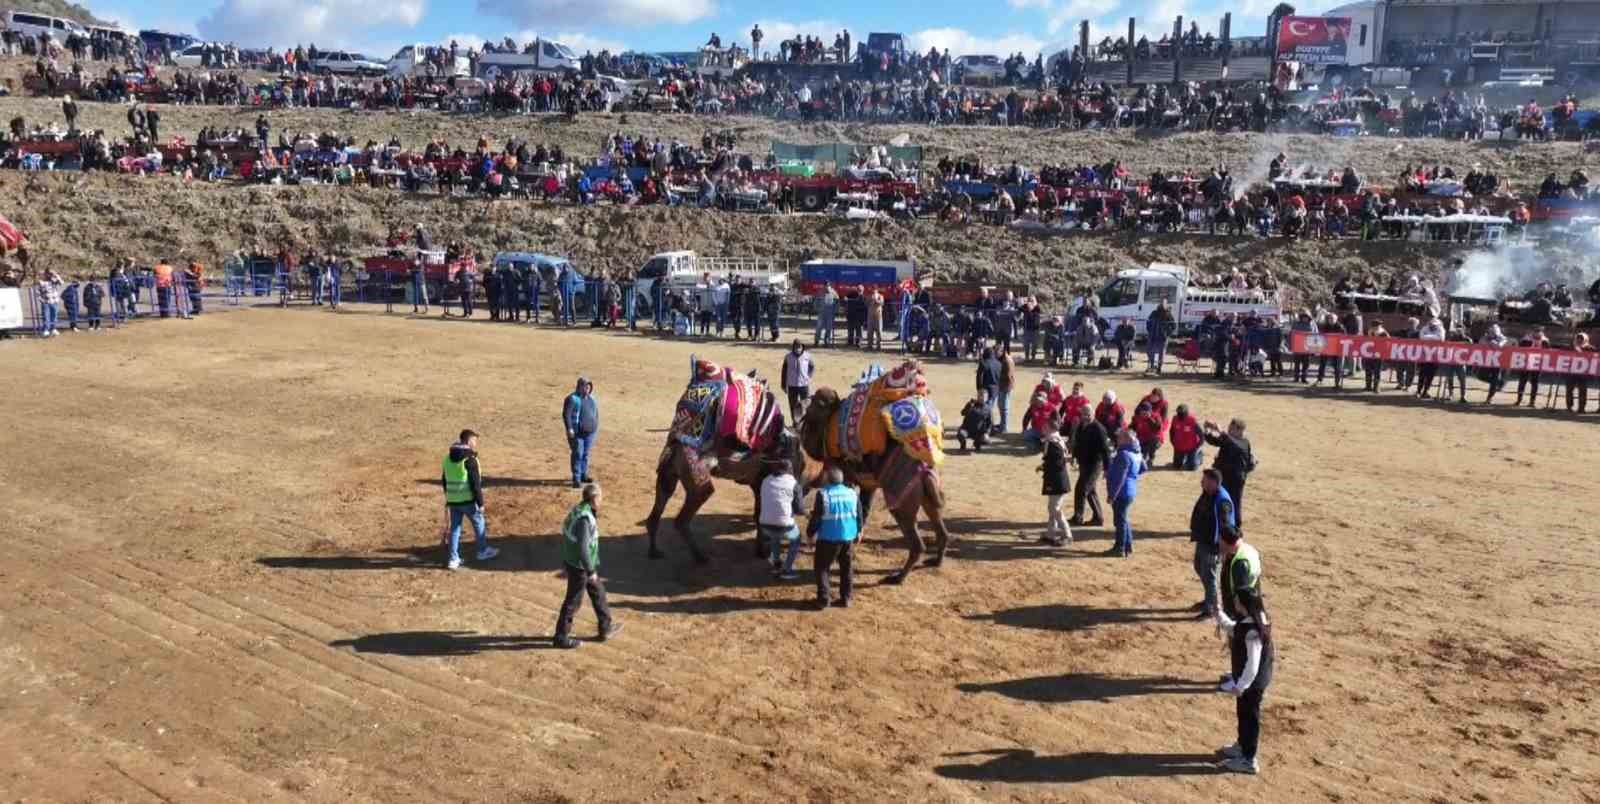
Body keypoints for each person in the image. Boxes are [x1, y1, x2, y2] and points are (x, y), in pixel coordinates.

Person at [1214, 525, 1273, 775]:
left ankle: (1249, 759)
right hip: (1248, 682)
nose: (1234, 601)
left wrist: (1241, 685)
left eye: (1237, 600)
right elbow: (1233, 629)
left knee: (1250, 716)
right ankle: (1242, 746)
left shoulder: (1252, 632)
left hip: (1252, 683)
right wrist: (1220, 617)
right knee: (1243, 714)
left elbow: (1253, 663)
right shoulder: (1251, 621)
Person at [553, 483, 621, 649]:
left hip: (575, 561)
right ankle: (561, 637)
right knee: (573, 601)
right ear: (594, 499)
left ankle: (605, 627)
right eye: (600, 497)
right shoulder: (584, 519)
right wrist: (590, 571)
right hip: (579, 566)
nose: (602, 500)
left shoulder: (580, 509)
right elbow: (583, 548)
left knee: (598, 591)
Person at [440, 429, 500, 570]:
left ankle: (453, 559)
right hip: (468, 500)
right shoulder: (470, 460)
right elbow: (475, 483)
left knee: (455, 529)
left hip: (453, 500)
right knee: (479, 523)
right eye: (474, 440)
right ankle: (482, 550)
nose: (476, 443)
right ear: (468, 441)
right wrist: (481, 503)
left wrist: (448, 497)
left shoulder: (447, 458)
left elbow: (444, 480)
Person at [806, 468, 859, 609]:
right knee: (846, 568)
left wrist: (810, 534)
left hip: (828, 539)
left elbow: (816, 518)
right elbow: (859, 514)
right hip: (848, 537)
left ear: (827, 480)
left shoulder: (823, 495)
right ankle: (846, 598)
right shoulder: (852, 493)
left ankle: (824, 599)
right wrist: (859, 531)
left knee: (822, 568)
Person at [1189, 468, 1237, 619]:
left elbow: (1226, 526)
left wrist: (1222, 548)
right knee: (1199, 568)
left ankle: (1211, 607)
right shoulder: (1209, 493)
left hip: (1213, 544)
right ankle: (1209, 599)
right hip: (1203, 539)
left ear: (1213, 483)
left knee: (1209, 575)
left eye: (1204, 480)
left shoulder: (1222, 501)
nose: (1201, 482)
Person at [1203, 418, 1256, 525]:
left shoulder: (1244, 442)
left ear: (1240, 430)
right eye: (1229, 428)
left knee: (1235, 501)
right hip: (1224, 476)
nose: (1229, 431)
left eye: (1232, 429)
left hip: (1236, 478)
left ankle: (1235, 525)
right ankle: (1219, 523)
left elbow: (1233, 443)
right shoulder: (1229, 439)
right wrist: (1207, 430)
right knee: (1219, 499)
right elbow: (1215, 441)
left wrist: (1220, 430)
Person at [760, 459, 805, 579]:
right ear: (790, 470)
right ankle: (787, 569)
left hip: (764, 525)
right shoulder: (794, 483)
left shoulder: (765, 480)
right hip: (784, 526)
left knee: (775, 536)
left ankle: (776, 563)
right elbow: (799, 509)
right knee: (796, 539)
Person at [1105, 429, 1145, 557]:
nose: (1117, 439)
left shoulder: (1123, 454)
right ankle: (1127, 545)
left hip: (1121, 492)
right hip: (1130, 490)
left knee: (1120, 521)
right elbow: (1144, 468)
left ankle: (1120, 548)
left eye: (1120, 437)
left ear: (1127, 439)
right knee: (1124, 519)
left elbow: (1120, 478)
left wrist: (1112, 495)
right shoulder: (1137, 452)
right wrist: (1132, 476)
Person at [1069, 415, 1111, 527]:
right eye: (1083, 413)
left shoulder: (1099, 428)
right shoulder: (1081, 425)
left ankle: (1078, 517)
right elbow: (1077, 443)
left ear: (1092, 414)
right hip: (1084, 463)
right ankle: (1098, 517)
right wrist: (1074, 457)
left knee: (1082, 489)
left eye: (1088, 414)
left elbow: (1105, 450)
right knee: (1090, 490)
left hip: (1094, 464)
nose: (1085, 416)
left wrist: (1107, 468)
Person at [1038, 421, 1072, 546]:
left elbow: (1056, 463)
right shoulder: (1057, 440)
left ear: (1050, 429)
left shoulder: (1052, 443)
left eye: (1045, 427)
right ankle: (1050, 534)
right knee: (1052, 508)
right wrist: (1044, 466)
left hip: (1056, 480)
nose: (1042, 428)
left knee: (1055, 509)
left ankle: (1067, 535)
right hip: (1058, 479)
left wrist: (1045, 466)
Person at [563, 377, 599, 488]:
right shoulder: (572, 399)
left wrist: (595, 425)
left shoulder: (592, 399)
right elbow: (566, 415)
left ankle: (583, 475)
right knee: (578, 454)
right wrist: (569, 428)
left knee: (585, 454)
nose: (587, 389)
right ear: (579, 387)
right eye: (585, 387)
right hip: (577, 433)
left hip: (590, 432)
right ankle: (576, 478)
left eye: (589, 387)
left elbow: (595, 413)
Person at [781, 340, 814, 422]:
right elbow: (784, 371)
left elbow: (812, 367)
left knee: (806, 405)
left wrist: (808, 376)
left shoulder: (807, 356)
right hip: (792, 385)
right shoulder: (788, 357)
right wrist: (783, 385)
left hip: (804, 385)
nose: (798, 349)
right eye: (796, 347)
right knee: (793, 405)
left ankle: (806, 422)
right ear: (793, 347)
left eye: (799, 347)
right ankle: (795, 423)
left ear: (802, 347)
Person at [1169, 404, 1203, 469]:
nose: (1180, 414)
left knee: (1192, 468)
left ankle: (1199, 456)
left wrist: (1198, 445)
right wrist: (1172, 441)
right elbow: (1172, 431)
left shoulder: (1192, 420)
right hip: (1179, 447)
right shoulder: (1175, 419)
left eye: (1181, 412)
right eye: (1178, 412)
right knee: (1176, 466)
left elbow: (1200, 433)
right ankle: (1185, 459)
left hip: (1191, 448)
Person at [36, 270, 64, 337]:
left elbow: (61, 283)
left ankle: (53, 329)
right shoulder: (41, 282)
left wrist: (55, 274)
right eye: (49, 274)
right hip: (46, 302)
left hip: (54, 302)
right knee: (46, 316)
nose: (50, 275)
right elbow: (37, 293)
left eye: (51, 274)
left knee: (54, 316)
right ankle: (46, 330)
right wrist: (41, 300)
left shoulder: (54, 280)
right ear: (45, 274)